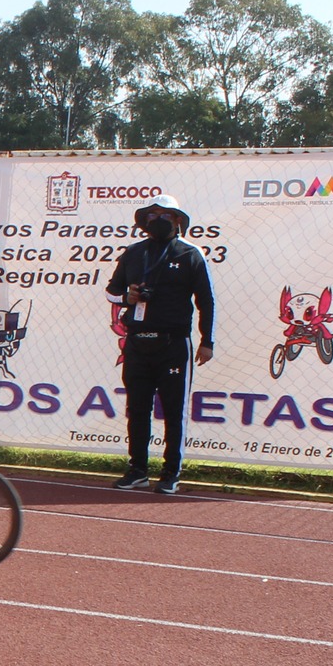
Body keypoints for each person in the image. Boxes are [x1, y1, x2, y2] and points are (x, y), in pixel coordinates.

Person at [105, 194, 214, 495]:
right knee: (137, 409)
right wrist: (127, 297)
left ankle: (170, 473)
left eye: (165, 215)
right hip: (138, 342)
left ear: (178, 220)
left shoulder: (190, 254)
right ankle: (137, 469)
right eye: (152, 215)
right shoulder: (133, 252)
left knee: (174, 410)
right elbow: (112, 291)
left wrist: (207, 341)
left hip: (174, 344)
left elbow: (206, 300)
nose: (158, 220)